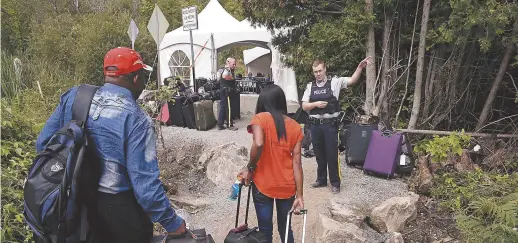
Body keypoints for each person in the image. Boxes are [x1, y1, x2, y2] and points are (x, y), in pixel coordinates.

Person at [36, 47, 187, 243]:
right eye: (142, 76)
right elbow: (146, 188)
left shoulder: (74, 97)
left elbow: (43, 144)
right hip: (117, 211)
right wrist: (173, 223)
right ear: (136, 78)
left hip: (73, 202)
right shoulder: (138, 120)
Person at [237, 84, 304, 243]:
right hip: (287, 186)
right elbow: (297, 163)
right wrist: (300, 195)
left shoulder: (260, 119)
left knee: (265, 229)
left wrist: (250, 167)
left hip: (263, 184)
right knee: (285, 228)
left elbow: (259, 143)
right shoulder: (295, 126)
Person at [301, 57, 371, 194]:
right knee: (319, 154)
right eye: (315, 72)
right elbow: (304, 106)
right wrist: (315, 104)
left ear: (325, 69)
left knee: (332, 154)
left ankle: (335, 183)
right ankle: (321, 179)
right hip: (315, 126)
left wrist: (360, 68)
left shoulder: (335, 82)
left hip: (330, 125)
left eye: (320, 71)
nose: (318, 74)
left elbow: (352, 80)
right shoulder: (310, 86)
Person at [217, 57, 239, 131]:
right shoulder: (227, 70)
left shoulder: (222, 69)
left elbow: (219, 78)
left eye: (235, 64)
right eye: (233, 64)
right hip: (227, 92)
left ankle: (220, 124)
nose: (234, 66)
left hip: (223, 91)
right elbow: (225, 76)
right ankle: (230, 125)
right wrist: (232, 78)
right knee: (229, 108)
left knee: (223, 108)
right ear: (228, 63)